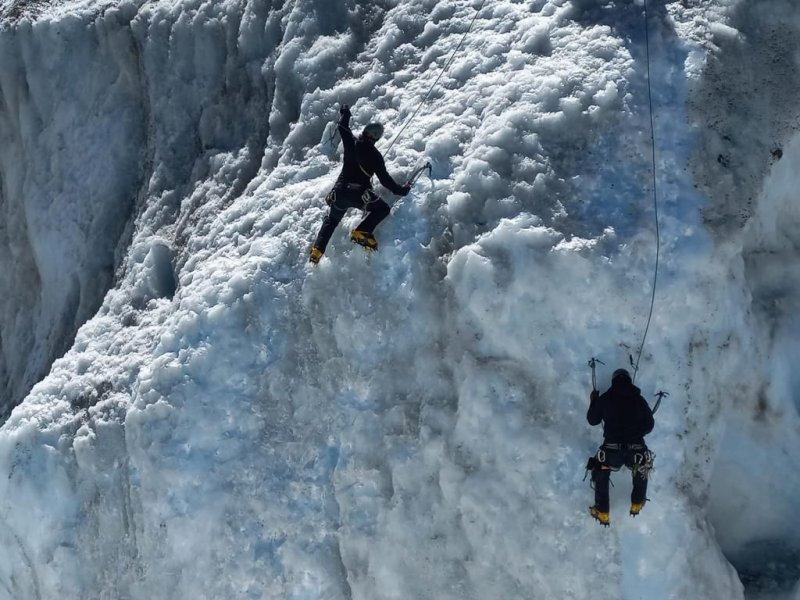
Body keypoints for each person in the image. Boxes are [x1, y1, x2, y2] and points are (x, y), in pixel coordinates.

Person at [310, 104, 410, 264]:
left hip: (339, 193)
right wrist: (402, 190)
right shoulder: (376, 156)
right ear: (376, 138)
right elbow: (385, 181)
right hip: (359, 196)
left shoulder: (351, 142)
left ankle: (317, 251)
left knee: (331, 221)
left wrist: (345, 113)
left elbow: (342, 126)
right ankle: (362, 232)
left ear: (365, 132)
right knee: (383, 209)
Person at [586, 368, 655, 526]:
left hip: (612, 452)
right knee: (642, 466)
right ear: (629, 381)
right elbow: (649, 426)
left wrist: (594, 401)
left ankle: (602, 511)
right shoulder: (639, 400)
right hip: (636, 450)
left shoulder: (606, 398)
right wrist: (638, 431)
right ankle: (637, 503)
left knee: (601, 469)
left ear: (613, 381)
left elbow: (592, 420)